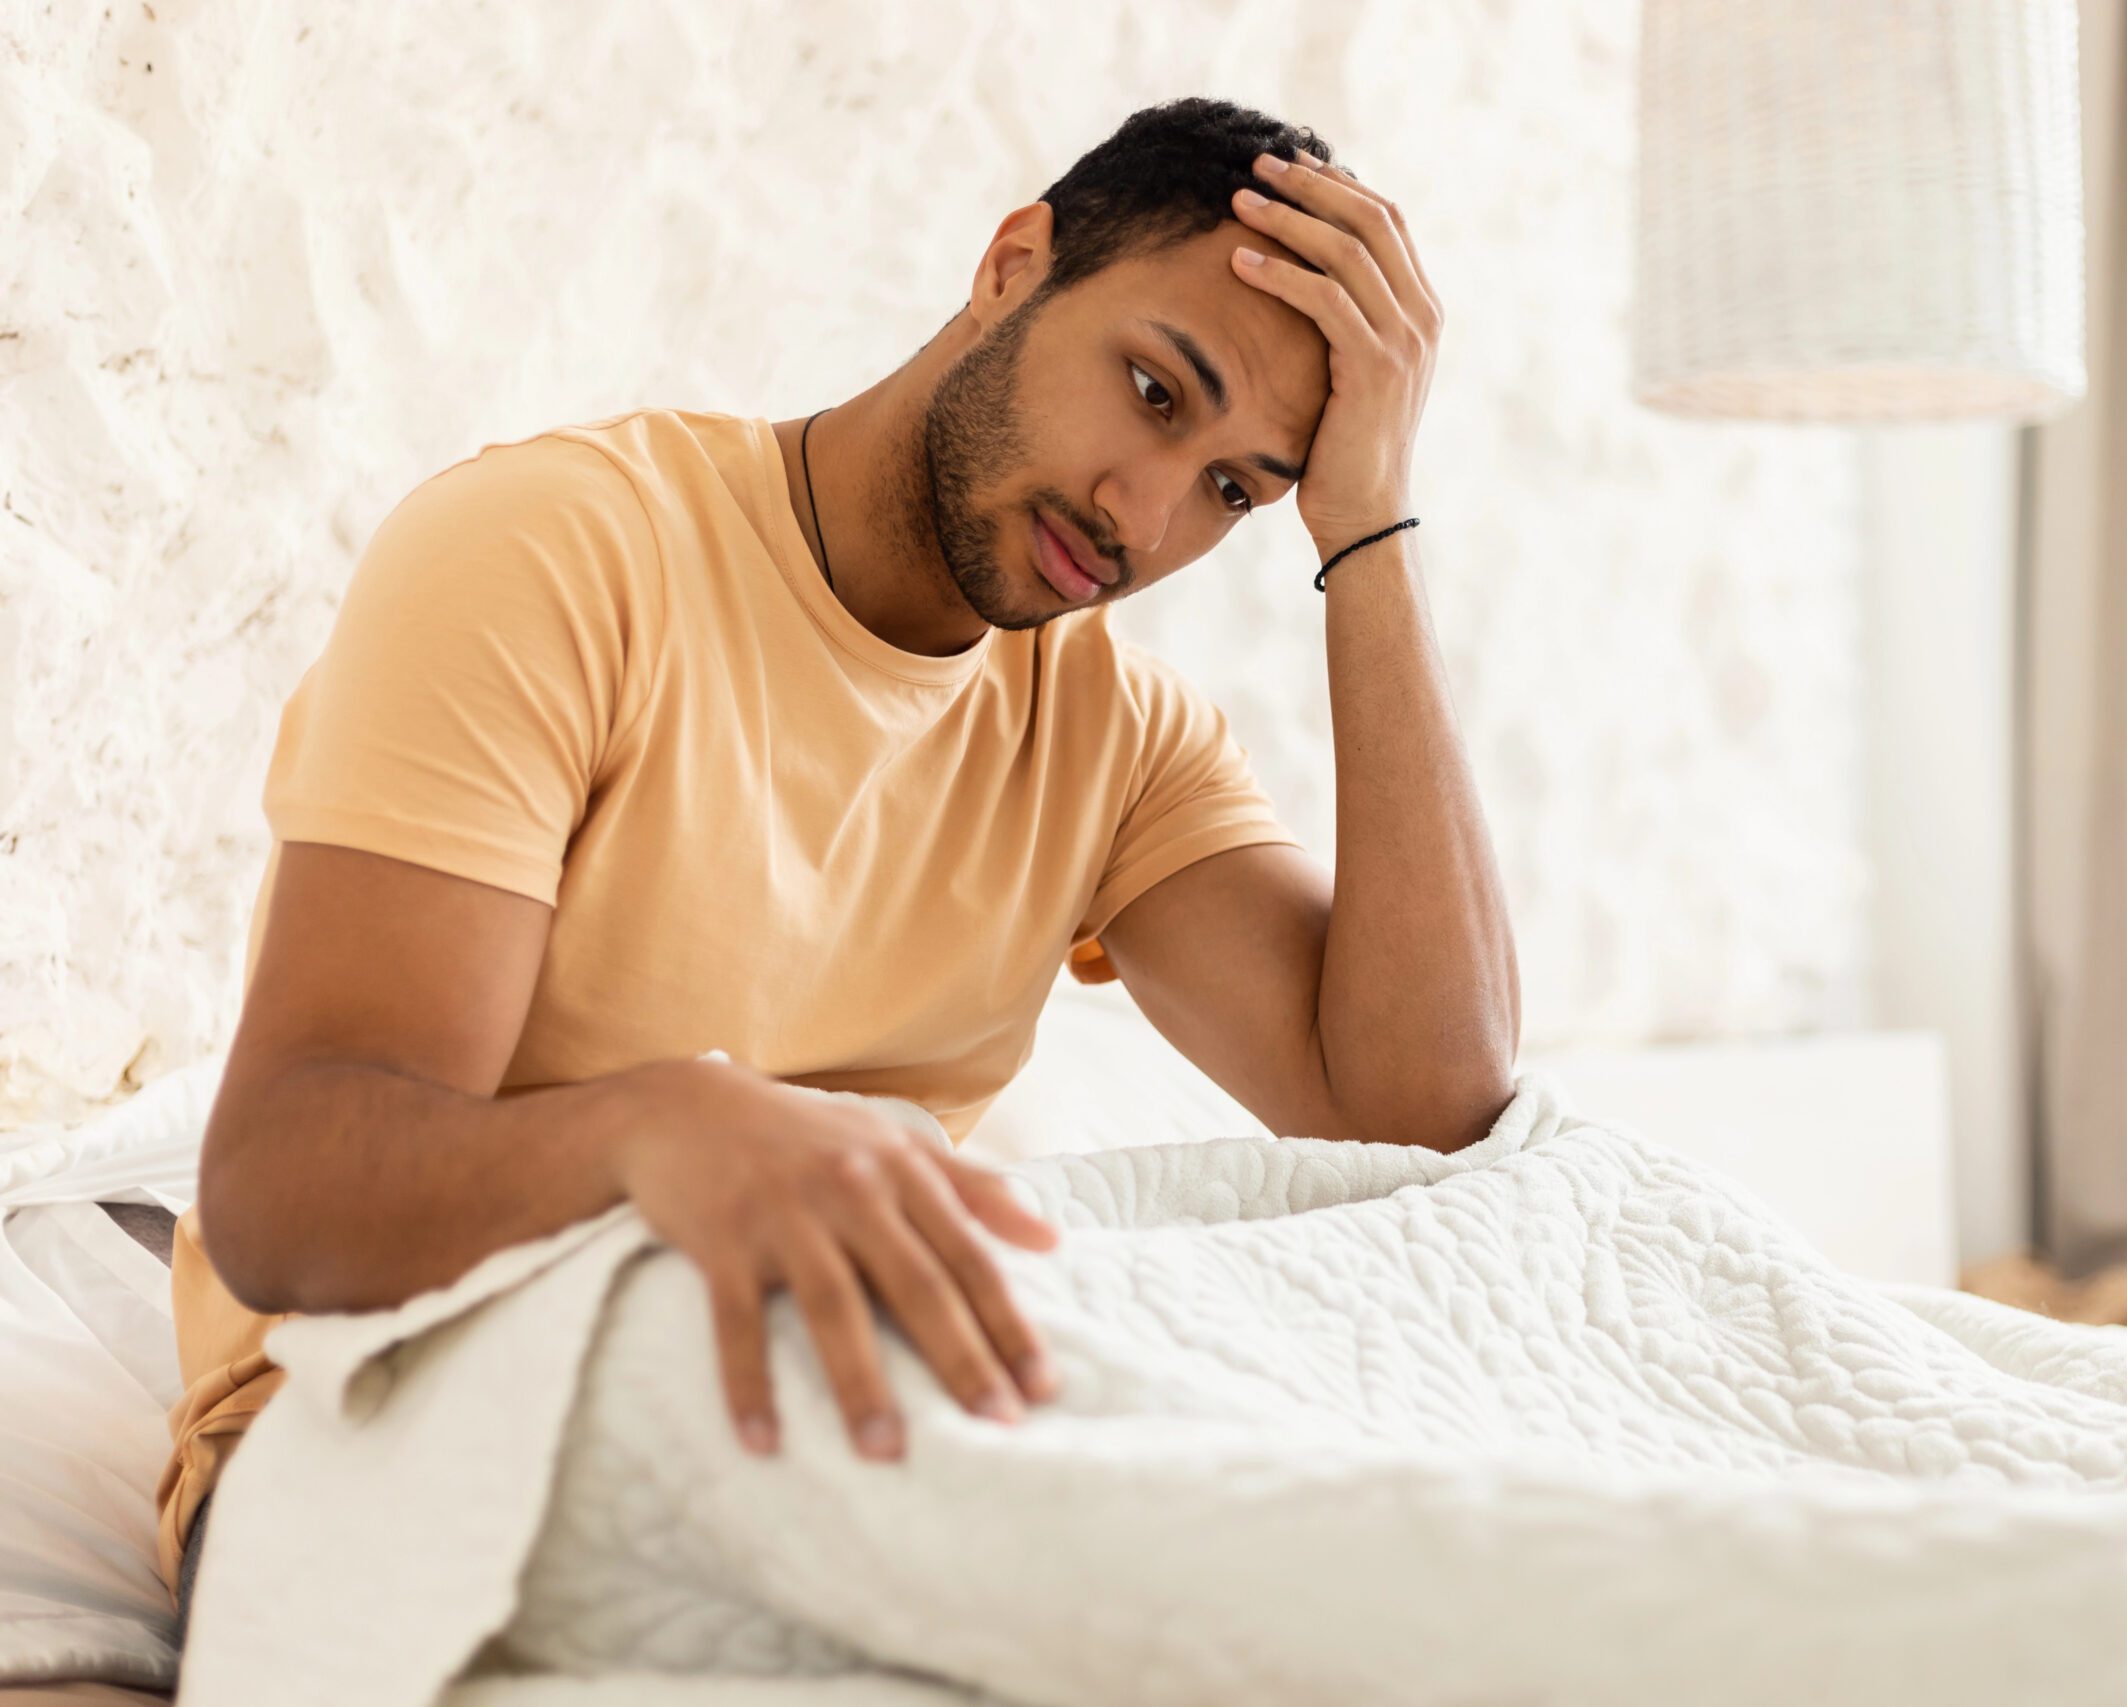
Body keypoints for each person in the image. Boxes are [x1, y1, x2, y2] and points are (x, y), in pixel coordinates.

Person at [157, 94, 1520, 1637]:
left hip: (833, 1430)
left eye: (1235, 490)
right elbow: (286, 1190)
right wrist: (666, 1132)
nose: (1144, 518)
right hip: (375, 1430)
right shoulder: (560, 555)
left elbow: (1433, 1109)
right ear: (1015, 265)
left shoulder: (1115, 737)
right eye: (1152, 390)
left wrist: (1372, 530)